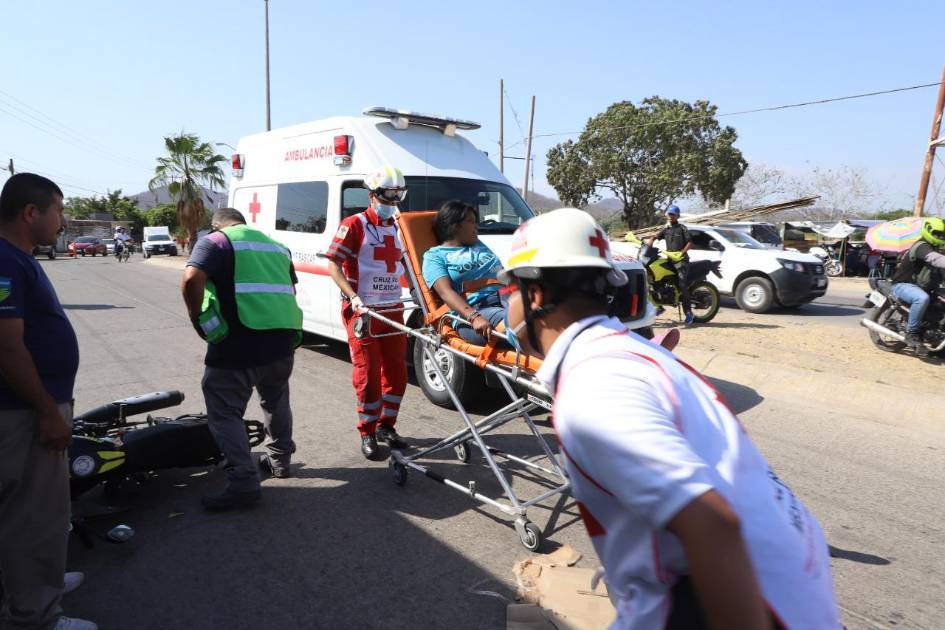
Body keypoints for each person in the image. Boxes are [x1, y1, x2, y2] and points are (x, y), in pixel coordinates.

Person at [498, 207, 840, 629]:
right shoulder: (633, 353)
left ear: (534, 295)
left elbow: (712, 524)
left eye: (509, 292)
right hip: (788, 592)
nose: (507, 307)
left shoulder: (594, 386)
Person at [0, 173, 96, 630]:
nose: (62, 222)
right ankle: (34, 614)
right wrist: (45, 410)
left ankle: (40, 583)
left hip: (30, 406)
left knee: (34, 510)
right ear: (31, 213)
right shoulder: (4, 260)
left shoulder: (19, 258)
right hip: (22, 411)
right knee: (34, 514)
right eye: (58, 211)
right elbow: (5, 346)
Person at [181, 207, 302, 511]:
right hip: (283, 339)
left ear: (216, 224)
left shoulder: (216, 241)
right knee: (276, 400)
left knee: (224, 412)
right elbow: (290, 289)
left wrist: (197, 319)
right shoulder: (276, 246)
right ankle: (280, 461)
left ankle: (244, 483)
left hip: (239, 341)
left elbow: (192, 277)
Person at [326, 165, 409, 459]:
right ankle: (368, 430)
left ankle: (387, 425)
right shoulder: (355, 224)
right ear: (372, 196)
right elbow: (333, 264)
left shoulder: (399, 227)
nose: (391, 205)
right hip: (363, 311)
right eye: (387, 199)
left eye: (396, 199)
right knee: (369, 375)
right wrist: (353, 296)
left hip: (394, 310)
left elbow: (406, 266)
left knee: (397, 374)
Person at [422, 200, 508, 347]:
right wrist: (474, 317)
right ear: (454, 225)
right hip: (477, 309)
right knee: (522, 324)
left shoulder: (477, 244)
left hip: (507, 298)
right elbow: (446, 293)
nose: (477, 227)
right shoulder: (435, 256)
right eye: (471, 221)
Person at [889, 217, 945, 357]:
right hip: (903, 284)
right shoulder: (921, 246)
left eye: (943, 234)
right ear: (928, 231)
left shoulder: (936, 248)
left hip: (923, 286)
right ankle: (912, 333)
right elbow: (935, 259)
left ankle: (935, 337)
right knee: (922, 298)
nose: (941, 237)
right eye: (938, 234)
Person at [646, 205, 694, 325]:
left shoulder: (682, 228)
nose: (670, 216)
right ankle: (659, 306)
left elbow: (690, 243)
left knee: (682, 284)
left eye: (673, 214)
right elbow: (656, 236)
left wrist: (681, 253)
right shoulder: (666, 228)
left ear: (677, 216)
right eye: (669, 214)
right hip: (669, 261)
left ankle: (688, 313)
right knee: (656, 279)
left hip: (681, 261)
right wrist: (651, 241)